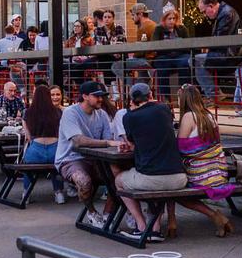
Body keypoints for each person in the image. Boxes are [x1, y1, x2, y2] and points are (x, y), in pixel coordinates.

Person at [113, 83, 187, 242]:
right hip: (179, 178)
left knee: (119, 180)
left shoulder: (129, 117)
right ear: (151, 95)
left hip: (151, 178)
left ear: (132, 99)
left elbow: (132, 143)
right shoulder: (164, 109)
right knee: (155, 184)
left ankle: (141, 227)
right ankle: (155, 229)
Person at [170, 84, 234, 238]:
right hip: (218, 172)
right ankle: (172, 222)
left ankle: (214, 216)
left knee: (172, 190)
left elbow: (182, 147)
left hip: (201, 172)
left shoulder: (188, 116)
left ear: (184, 100)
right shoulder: (209, 115)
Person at [54, 81, 120, 227]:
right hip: (70, 159)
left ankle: (108, 214)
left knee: (119, 177)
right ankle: (92, 213)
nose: (101, 99)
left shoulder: (102, 114)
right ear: (84, 96)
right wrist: (108, 143)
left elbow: (108, 138)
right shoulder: (70, 112)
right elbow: (78, 141)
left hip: (96, 159)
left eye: (102, 96)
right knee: (83, 181)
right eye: (97, 96)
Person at [21, 84, 64, 203]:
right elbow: (61, 134)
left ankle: (26, 193)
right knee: (57, 167)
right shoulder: (58, 112)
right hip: (55, 150)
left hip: (35, 150)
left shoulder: (28, 113)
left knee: (27, 168)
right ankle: (59, 193)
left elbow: (28, 137)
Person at [194, 0, 241, 101]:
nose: (205, 15)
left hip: (228, 55)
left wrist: (209, 47)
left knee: (195, 60)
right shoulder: (225, 12)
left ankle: (213, 95)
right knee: (196, 60)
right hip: (228, 53)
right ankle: (213, 93)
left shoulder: (226, 13)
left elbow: (221, 39)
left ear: (211, 6)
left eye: (204, 11)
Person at [111, 3, 156, 89]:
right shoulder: (152, 24)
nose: (132, 18)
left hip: (147, 60)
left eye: (133, 15)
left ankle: (136, 87)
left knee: (116, 66)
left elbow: (140, 50)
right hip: (149, 59)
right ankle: (145, 85)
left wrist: (133, 55)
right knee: (138, 68)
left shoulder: (144, 27)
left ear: (140, 14)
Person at [152, 6, 191, 101]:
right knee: (162, 65)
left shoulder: (182, 29)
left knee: (185, 63)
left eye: (174, 18)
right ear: (164, 19)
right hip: (164, 56)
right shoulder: (158, 29)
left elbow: (188, 44)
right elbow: (155, 45)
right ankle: (165, 98)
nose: (172, 21)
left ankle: (184, 95)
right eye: (169, 19)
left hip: (180, 55)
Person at [93, 8, 126, 88]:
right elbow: (98, 45)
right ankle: (111, 85)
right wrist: (109, 47)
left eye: (109, 17)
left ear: (113, 18)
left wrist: (107, 47)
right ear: (102, 18)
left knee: (108, 59)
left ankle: (111, 86)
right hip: (104, 55)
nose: (107, 19)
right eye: (105, 17)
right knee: (104, 58)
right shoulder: (98, 30)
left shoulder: (118, 28)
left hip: (118, 55)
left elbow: (120, 44)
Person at [65, 18, 95, 92]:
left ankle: (70, 85)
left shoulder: (89, 39)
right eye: (74, 26)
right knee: (70, 66)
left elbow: (93, 54)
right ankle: (81, 88)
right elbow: (65, 52)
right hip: (72, 62)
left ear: (83, 27)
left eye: (78, 26)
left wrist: (84, 57)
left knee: (75, 68)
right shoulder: (70, 39)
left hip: (84, 61)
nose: (75, 28)